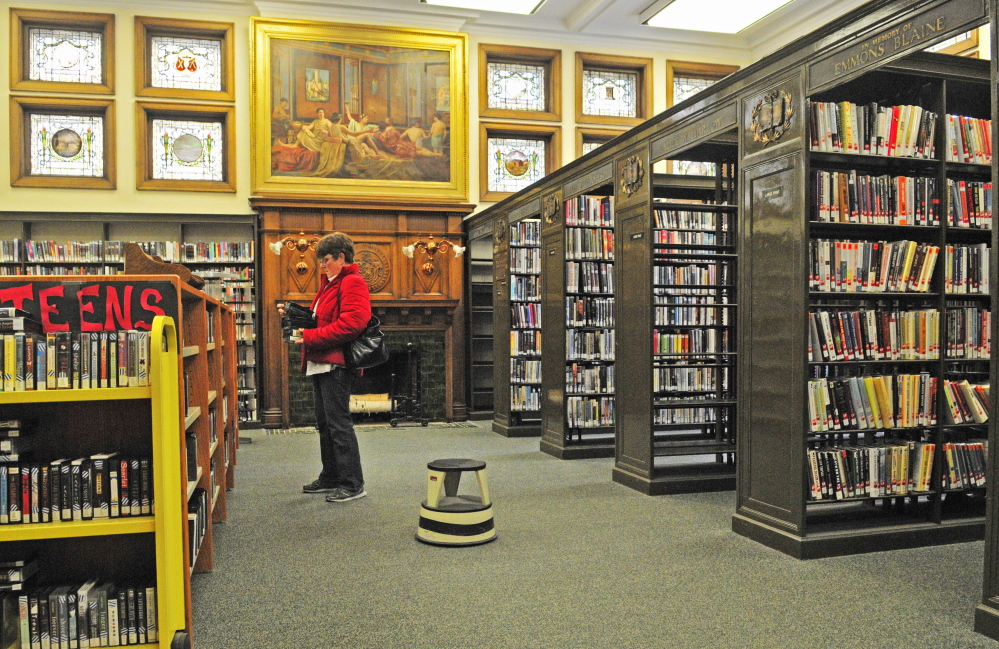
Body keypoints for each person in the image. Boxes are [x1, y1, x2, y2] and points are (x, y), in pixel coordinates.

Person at [278, 233, 371, 502]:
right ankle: (331, 476)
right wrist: (296, 316)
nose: (321, 265)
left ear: (342, 257)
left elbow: (352, 325)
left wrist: (307, 337)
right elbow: (321, 319)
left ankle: (353, 484)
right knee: (324, 423)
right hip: (321, 361)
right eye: (320, 260)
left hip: (336, 364)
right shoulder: (328, 284)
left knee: (339, 424)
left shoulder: (353, 282)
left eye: (326, 260)